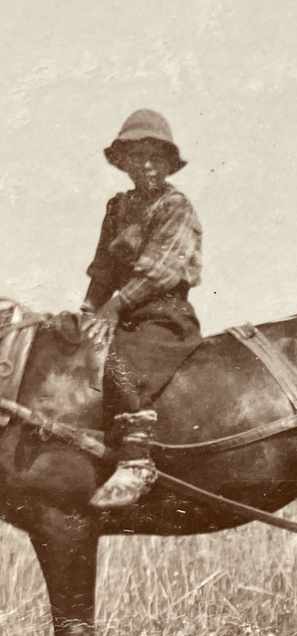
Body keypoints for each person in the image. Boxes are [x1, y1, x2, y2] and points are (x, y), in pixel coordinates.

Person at [81, 109, 203, 509]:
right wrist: (88, 311)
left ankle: (137, 459)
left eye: (155, 156)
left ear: (168, 163)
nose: (146, 165)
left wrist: (115, 307)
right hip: (120, 312)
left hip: (162, 315)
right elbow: (102, 268)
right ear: (124, 162)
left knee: (119, 362)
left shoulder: (175, 207)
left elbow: (160, 270)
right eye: (137, 156)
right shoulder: (117, 208)